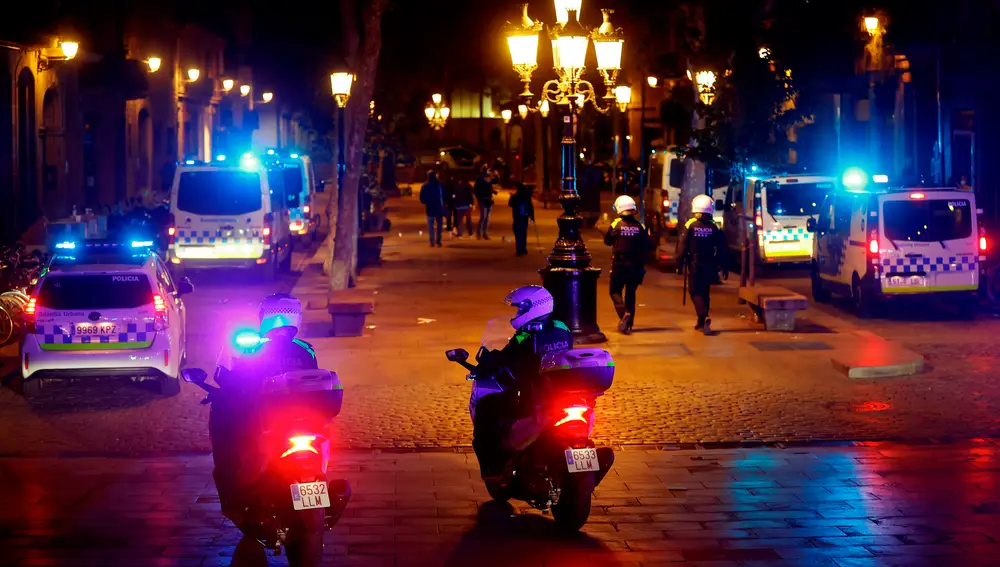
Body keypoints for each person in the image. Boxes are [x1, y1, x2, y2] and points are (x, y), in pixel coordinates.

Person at [211, 293, 320, 564]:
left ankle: (245, 505)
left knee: (233, 459)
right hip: (301, 428)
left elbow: (228, 379)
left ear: (265, 316)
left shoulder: (253, 349)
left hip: (267, 427)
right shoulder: (305, 349)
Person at [472, 285, 572, 481]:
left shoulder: (525, 335)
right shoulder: (562, 327)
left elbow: (505, 358)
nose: (518, 313)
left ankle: (494, 470)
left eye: (520, 309)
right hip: (561, 391)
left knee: (487, 407)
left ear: (533, 307)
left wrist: (486, 364)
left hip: (534, 393)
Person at [677, 195, 729, 335]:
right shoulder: (714, 227)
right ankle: (701, 322)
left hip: (695, 264)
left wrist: (679, 264)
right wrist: (724, 267)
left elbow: (682, 246)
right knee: (705, 292)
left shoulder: (690, 225)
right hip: (710, 264)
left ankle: (703, 315)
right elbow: (722, 248)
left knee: (694, 292)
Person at [604, 195, 653, 334]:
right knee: (631, 293)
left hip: (620, 264)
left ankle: (624, 314)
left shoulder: (616, 224)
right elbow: (648, 245)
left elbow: (607, 241)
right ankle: (629, 324)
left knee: (614, 291)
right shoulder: (640, 226)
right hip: (636, 265)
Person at [508, 183, 535, 256]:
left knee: (518, 232)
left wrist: (511, 197)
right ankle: (523, 248)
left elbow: (510, 204)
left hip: (518, 216)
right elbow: (531, 207)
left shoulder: (516, 196)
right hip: (524, 216)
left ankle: (519, 249)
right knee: (523, 232)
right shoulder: (527, 196)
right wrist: (532, 217)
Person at [419, 171, 445, 247]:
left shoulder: (425, 185)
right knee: (439, 224)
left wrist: (426, 201)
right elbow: (444, 194)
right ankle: (438, 240)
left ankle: (432, 241)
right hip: (438, 207)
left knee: (431, 225)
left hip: (430, 207)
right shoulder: (439, 185)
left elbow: (422, 198)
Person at [474, 165, 499, 239]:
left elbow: (495, 181)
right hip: (483, 199)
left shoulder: (487, 178)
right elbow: (477, 189)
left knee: (486, 218)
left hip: (488, 199)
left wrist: (496, 175)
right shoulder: (481, 178)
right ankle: (480, 233)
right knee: (484, 217)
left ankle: (484, 234)